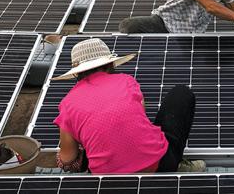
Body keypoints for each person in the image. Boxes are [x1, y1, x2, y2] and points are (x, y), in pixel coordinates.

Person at [53, 38, 203, 174]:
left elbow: (68, 158)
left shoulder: (67, 103)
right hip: (160, 165)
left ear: (76, 73)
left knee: (91, 142)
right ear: (110, 64)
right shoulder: (126, 81)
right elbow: (139, 119)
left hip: (105, 181)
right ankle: (178, 166)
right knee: (181, 94)